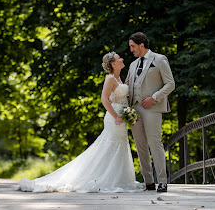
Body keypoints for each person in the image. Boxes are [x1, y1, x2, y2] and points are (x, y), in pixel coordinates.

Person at [14, 52, 144, 193]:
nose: (122, 59)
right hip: (115, 119)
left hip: (122, 118)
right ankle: (100, 179)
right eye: (119, 58)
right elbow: (104, 99)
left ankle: (119, 180)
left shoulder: (119, 78)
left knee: (120, 146)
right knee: (110, 146)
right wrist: (116, 116)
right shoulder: (110, 78)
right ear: (113, 64)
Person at [125, 32, 175, 192]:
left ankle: (162, 181)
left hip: (152, 108)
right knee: (140, 146)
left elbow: (170, 84)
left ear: (141, 45)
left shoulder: (159, 59)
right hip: (134, 109)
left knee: (155, 143)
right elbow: (127, 85)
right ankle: (148, 181)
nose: (131, 50)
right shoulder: (132, 65)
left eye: (133, 46)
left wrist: (154, 97)